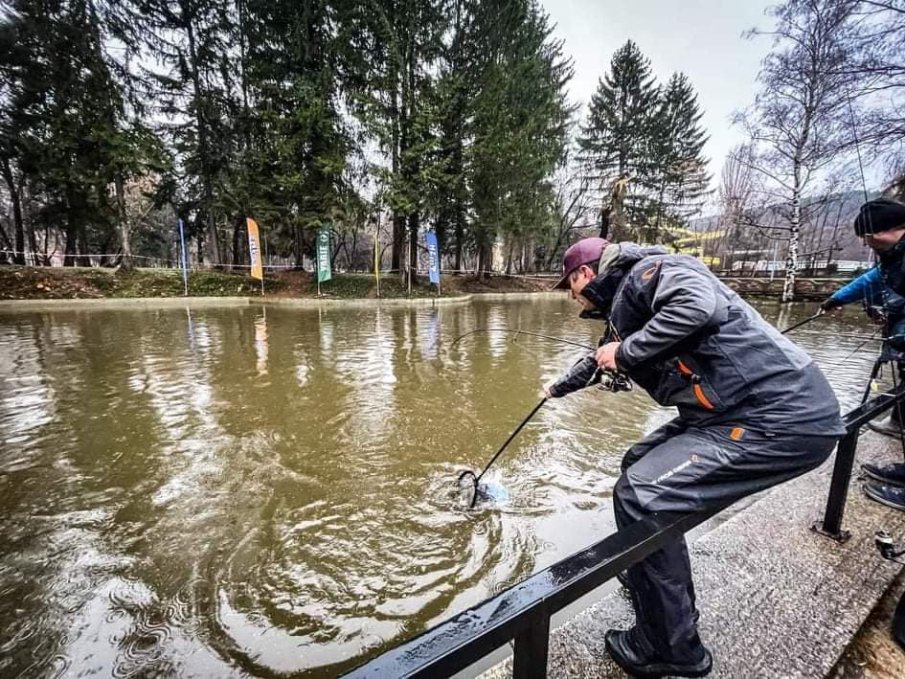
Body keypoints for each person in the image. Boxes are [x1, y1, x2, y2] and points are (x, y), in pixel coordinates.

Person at [545, 237, 845, 678]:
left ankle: (672, 649)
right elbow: (600, 358)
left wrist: (625, 353)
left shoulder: (653, 271)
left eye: (569, 286)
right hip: (729, 411)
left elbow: (696, 305)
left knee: (643, 494)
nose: (572, 297)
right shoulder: (629, 302)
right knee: (638, 462)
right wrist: (555, 389)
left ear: (583, 274)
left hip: (778, 416)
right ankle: (655, 584)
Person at [822, 198, 905, 509]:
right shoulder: (892, 255)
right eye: (864, 238)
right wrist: (837, 298)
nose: (868, 243)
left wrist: (900, 334)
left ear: (897, 228)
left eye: (872, 236)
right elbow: (874, 280)